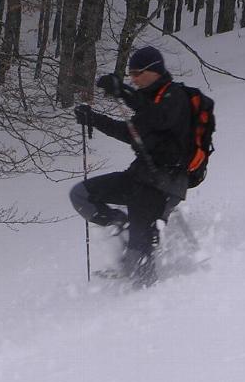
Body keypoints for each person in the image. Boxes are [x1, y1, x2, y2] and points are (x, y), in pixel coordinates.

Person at [70, 46, 190, 287]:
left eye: (138, 73)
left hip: (164, 182)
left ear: (155, 70)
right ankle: (122, 224)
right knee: (82, 195)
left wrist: (123, 92)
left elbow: (159, 117)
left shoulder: (175, 97)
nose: (133, 78)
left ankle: (146, 296)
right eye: (131, 74)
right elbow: (131, 133)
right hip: (139, 177)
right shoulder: (147, 102)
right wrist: (94, 119)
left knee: (139, 260)